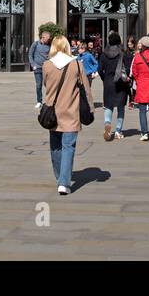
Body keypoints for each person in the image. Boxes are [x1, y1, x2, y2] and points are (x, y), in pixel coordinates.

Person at [41, 35, 89, 195]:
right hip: (71, 111)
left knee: (55, 146)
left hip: (52, 113)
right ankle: (64, 181)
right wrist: (90, 109)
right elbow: (85, 88)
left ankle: (60, 177)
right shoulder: (76, 64)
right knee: (68, 147)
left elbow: (46, 86)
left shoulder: (47, 65)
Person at [98, 32, 129, 141]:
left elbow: (99, 69)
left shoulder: (104, 54)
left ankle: (107, 124)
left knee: (108, 106)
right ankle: (118, 131)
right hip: (120, 83)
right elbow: (127, 69)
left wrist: (104, 78)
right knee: (121, 107)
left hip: (108, 83)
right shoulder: (123, 53)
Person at [29, 29, 51, 108]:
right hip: (37, 68)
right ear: (43, 37)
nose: (49, 39)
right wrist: (33, 65)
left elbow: (51, 55)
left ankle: (49, 101)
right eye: (48, 38)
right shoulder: (35, 44)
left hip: (46, 68)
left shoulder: (49, 45)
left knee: (49, 85)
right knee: (39, 85)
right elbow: (30, 55)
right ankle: (39, 101)